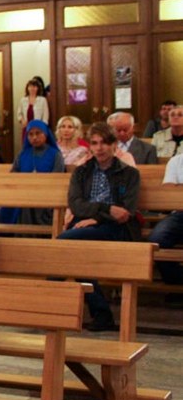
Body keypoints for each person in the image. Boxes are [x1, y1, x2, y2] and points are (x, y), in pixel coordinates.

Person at [58, 123, 141, 332]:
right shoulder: (82, 172)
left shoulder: (129, 173)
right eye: (94, 143)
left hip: (117, 230)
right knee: (75, 252)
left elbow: (125, 212)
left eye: (104, 142)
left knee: (63, 244)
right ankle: (102, 314)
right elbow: (76, 204)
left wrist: (97, 218)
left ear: (114, 145)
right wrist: (104, 210)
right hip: (85, 228)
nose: (99, 148)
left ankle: (47, 304)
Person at [0, 119, 66, 226]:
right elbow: (13, 174)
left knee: (27, 207)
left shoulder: (55, 155)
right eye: (30, 134)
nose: (34, 137)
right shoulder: (23, 154)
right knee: (3, 207)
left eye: (38, 133)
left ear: (46, 134)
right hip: (23, 194)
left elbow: (57, 178)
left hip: (47, 196)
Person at [150, 152, 183, 290]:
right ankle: (176, 278)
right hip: (179, 213)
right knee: (157, 238)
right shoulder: (176, 161)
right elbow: (169, 191)